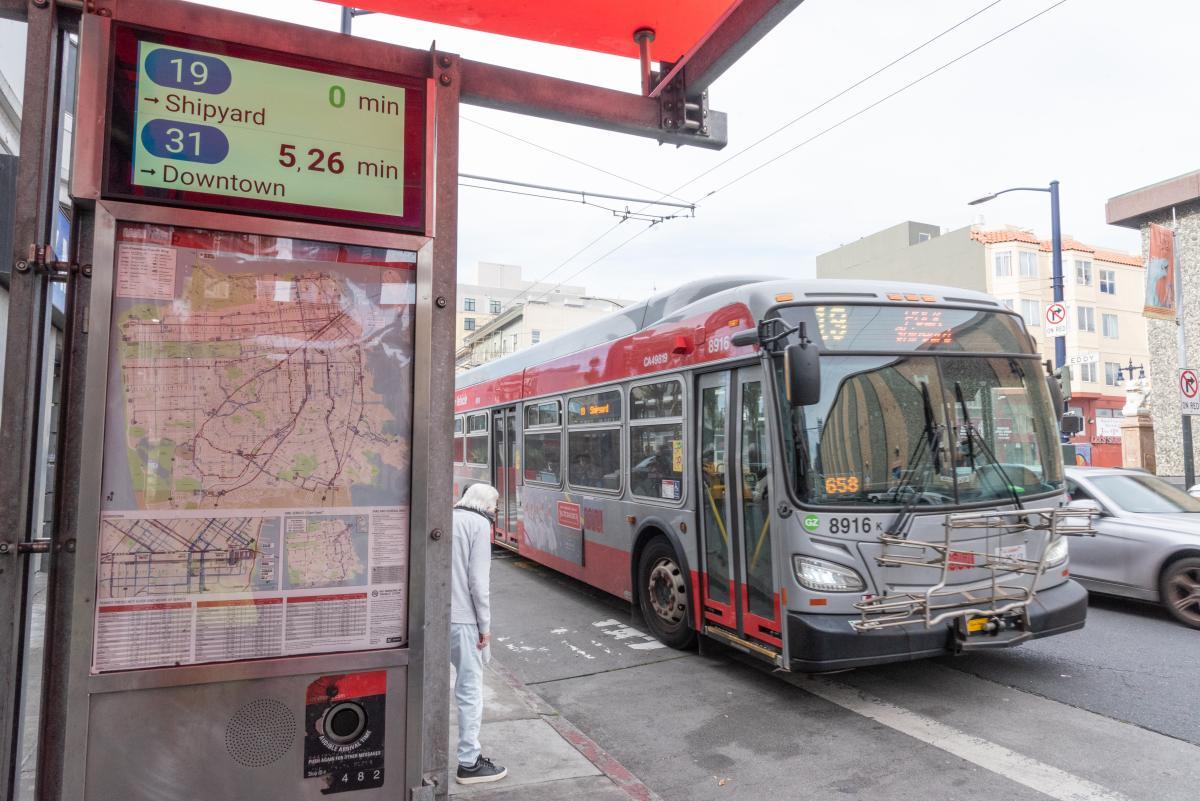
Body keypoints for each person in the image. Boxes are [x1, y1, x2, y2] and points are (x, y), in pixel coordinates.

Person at [450, 483, 507, 785]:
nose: (496, 513)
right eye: (496, 507)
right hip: (464, 622)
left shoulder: (448, 517)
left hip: (436, 618)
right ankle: (469, 762)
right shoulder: (479, 525)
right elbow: (478, 583)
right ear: (487, 505)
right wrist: (485, 628)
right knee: (470, 692)